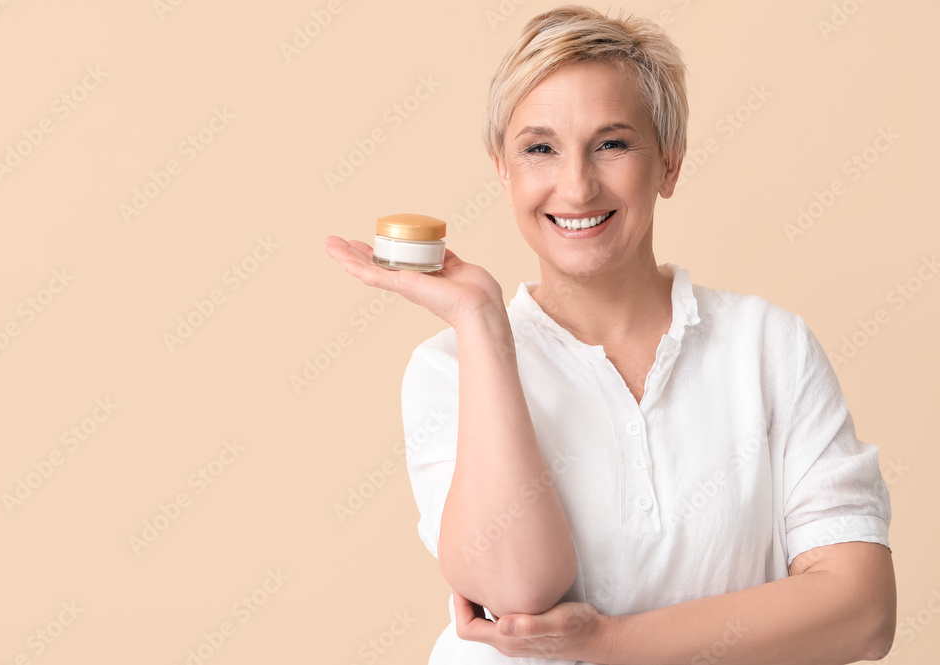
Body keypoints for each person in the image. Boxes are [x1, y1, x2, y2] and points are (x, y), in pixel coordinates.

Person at [323, 5, 896, 663]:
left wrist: (608, 642)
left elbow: (863, 612)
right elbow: (518, 590)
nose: (576, 185)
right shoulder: (450, 366)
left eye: (613, 143)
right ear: (504, 171)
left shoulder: (770, 347)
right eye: (540, 148)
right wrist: (482, 323)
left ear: (670, 163)